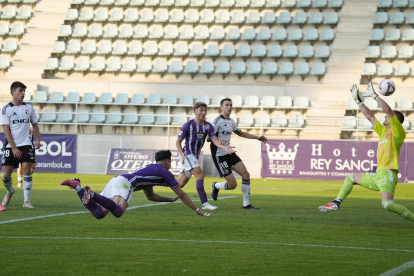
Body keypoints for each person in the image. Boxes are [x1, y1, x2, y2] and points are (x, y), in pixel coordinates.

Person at [319, 83, 414, 223]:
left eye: (387, 118)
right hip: (379, 175)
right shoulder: (384, 132)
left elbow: (388, 110)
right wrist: (358, 101)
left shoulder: (397, 131)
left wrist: (375, 96)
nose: (384, 118)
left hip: (388, 174)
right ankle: (336, 202)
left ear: (395, 122)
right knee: (351, 177)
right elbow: (370, 116)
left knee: (387, 204)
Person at [60, 150, 212, 219]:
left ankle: (78, 187)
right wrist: (197, 209)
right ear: (167, 162)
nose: (171, 164)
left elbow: (150, 196)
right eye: (170, 162)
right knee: (118, 212)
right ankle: (92, 194)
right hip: (125, 183)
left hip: (116, 180)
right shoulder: (163, 171)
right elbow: (182, 193)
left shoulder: (151, 171)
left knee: (99, 214)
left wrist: (169, 199)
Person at [176, 102, 236, 211]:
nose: (203, 113)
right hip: (187, 155)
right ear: (195, 111)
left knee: (180, 183)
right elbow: (178, 142)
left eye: (205, 110)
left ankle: (154, 182)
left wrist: (225, 147)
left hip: (194, 156)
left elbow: (214, 140)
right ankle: (205, 204)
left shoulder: (208, 126)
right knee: (200, 175)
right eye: (201, 110)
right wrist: (182, 154)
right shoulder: (188, 125)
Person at [210, 98, 267, 209]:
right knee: (233, 185)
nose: (229, 107)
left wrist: (257, 137)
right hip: (219, 155)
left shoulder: (231, 122)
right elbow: (209, 138)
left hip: (230, 152)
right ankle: (216, 185)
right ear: (221, 108)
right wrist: (217, 137)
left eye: (231, 105)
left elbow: (240, 133)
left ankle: (246, 204)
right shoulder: (217, 121)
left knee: (246, 174)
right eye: (226, 105)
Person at [0, 81, 41, 211]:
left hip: (26, 144)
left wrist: (38, 139)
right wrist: (13, 148)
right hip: (11, 145)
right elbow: (6, 129)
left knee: (27, 170)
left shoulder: (29, 107)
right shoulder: (6, 109)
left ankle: (27, 201)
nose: (23, 93)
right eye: (20, 90)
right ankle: (10, 191)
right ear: (13, 92)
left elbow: (35, 124)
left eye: (24, 91)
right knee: (5, 175)